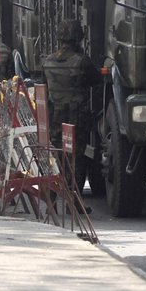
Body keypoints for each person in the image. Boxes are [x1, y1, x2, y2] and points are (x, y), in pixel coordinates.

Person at [41, 19, 102, 194]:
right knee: (77, 159)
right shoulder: (82, 61)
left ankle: (52, 195)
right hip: (77, 119)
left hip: (54, 118)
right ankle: (73, 198)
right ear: (78, 38)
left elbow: (45, 89)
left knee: (56, 155)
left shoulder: (48, 61)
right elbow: (96, 82)